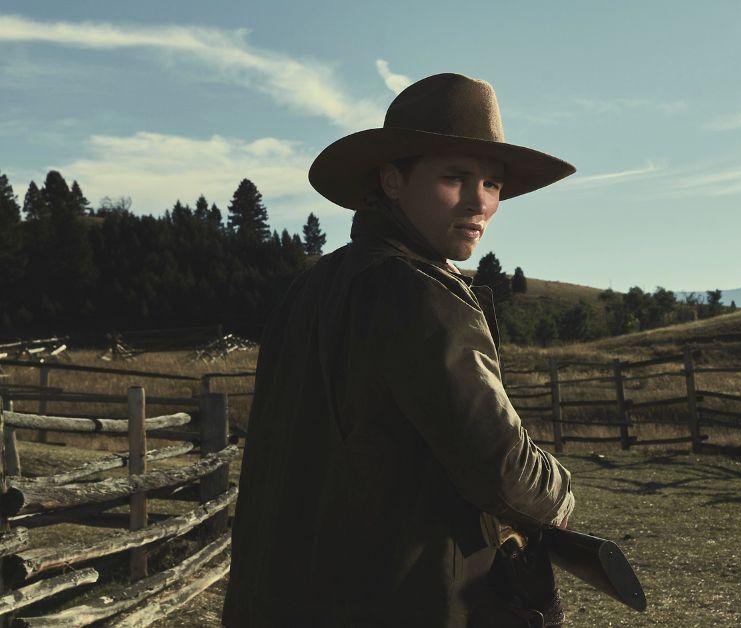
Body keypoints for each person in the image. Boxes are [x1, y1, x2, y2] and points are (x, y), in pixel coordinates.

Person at [223, 73, 578, 627]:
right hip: (395, 599)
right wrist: (557, 493)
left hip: (282, 597)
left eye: (492, 184)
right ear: (392, 181)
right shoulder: (419, 290)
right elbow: (502, 469)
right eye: (455, 177)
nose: (478, 202)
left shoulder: (311, 287)